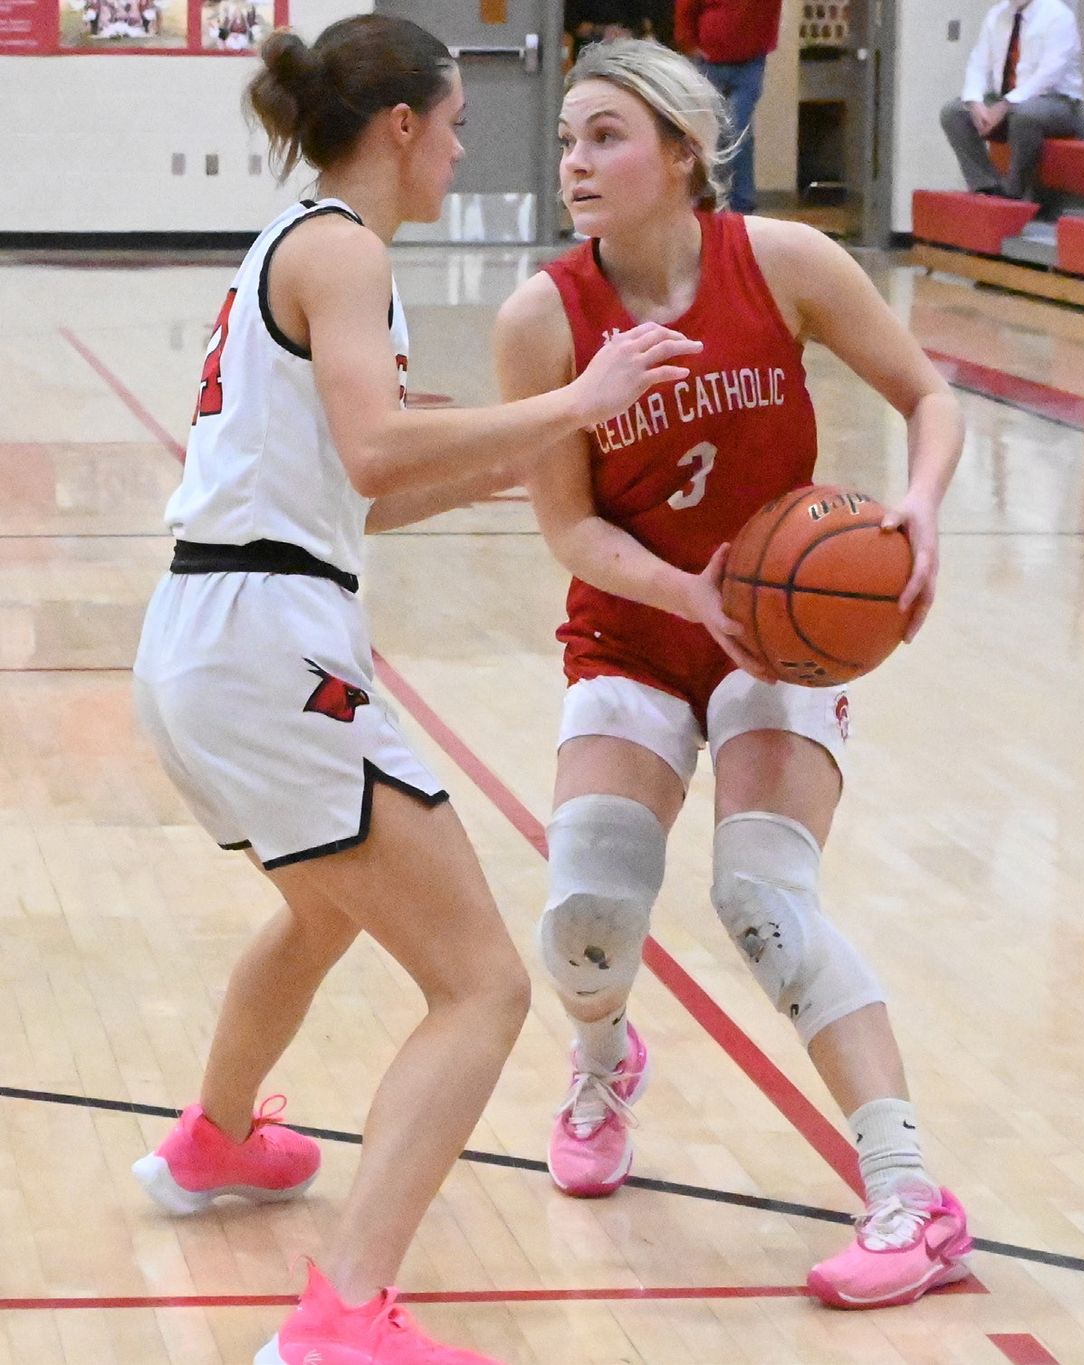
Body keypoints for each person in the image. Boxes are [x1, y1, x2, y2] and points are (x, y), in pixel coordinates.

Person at [130, 17, 700, 1365]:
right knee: (483, 987)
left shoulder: (300, 247)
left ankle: (214, 1140)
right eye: (451, 123)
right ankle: (342, 1319)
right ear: (400, 127)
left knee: (324, 906)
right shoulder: (346, 249)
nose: (461, 144)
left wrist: (528, 462)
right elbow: (380, 451)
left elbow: (359, 495)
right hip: (270, 644)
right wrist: (572, 403)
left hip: (213, 629)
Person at [494, 37, 972, 1310]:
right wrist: (687, 591)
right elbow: (567, 528)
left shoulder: (788, 263)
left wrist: (919, 508)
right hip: (636, 628)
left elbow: (932, 398)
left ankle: (913, 1197)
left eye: (605, 137)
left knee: (766, 903)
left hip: (783, 635)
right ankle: (604, 1059)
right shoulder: (544, 316)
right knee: (586, 916)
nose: (575, 163)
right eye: (567, 139)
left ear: (684, 152)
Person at [940, 0, 1083, 201]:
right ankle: (986, 186)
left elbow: (1049, 75)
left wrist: (1008, 104)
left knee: (1025, 115)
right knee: (953, 112)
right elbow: (978, 64)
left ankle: (1014, 192)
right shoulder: (996, 15)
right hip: (1006, 98)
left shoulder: (1059, 16)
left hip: (1057, 102)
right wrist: (974, 101)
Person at [675, 0, 783, 213]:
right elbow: (686, 7)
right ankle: (718, 200)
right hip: (709, 60)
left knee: (736, 129)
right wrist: (688, 44)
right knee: (711, 131)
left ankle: (737, 205)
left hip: (750, 61)